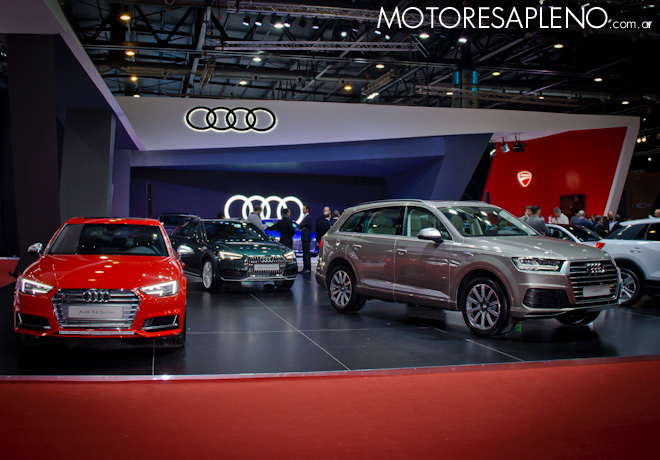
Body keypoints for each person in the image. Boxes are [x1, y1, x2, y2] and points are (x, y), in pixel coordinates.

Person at [299, 205, 312, 273]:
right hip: (304, 237)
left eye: (304, 209)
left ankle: (308, 268)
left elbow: (301, 225)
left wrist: (299, 226)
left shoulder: (308, 217)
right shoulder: (305, 217)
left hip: (306, 238)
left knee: (306, 254)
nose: (302, 210)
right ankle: (305, 268)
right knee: (304, 253)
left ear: (307, 210)